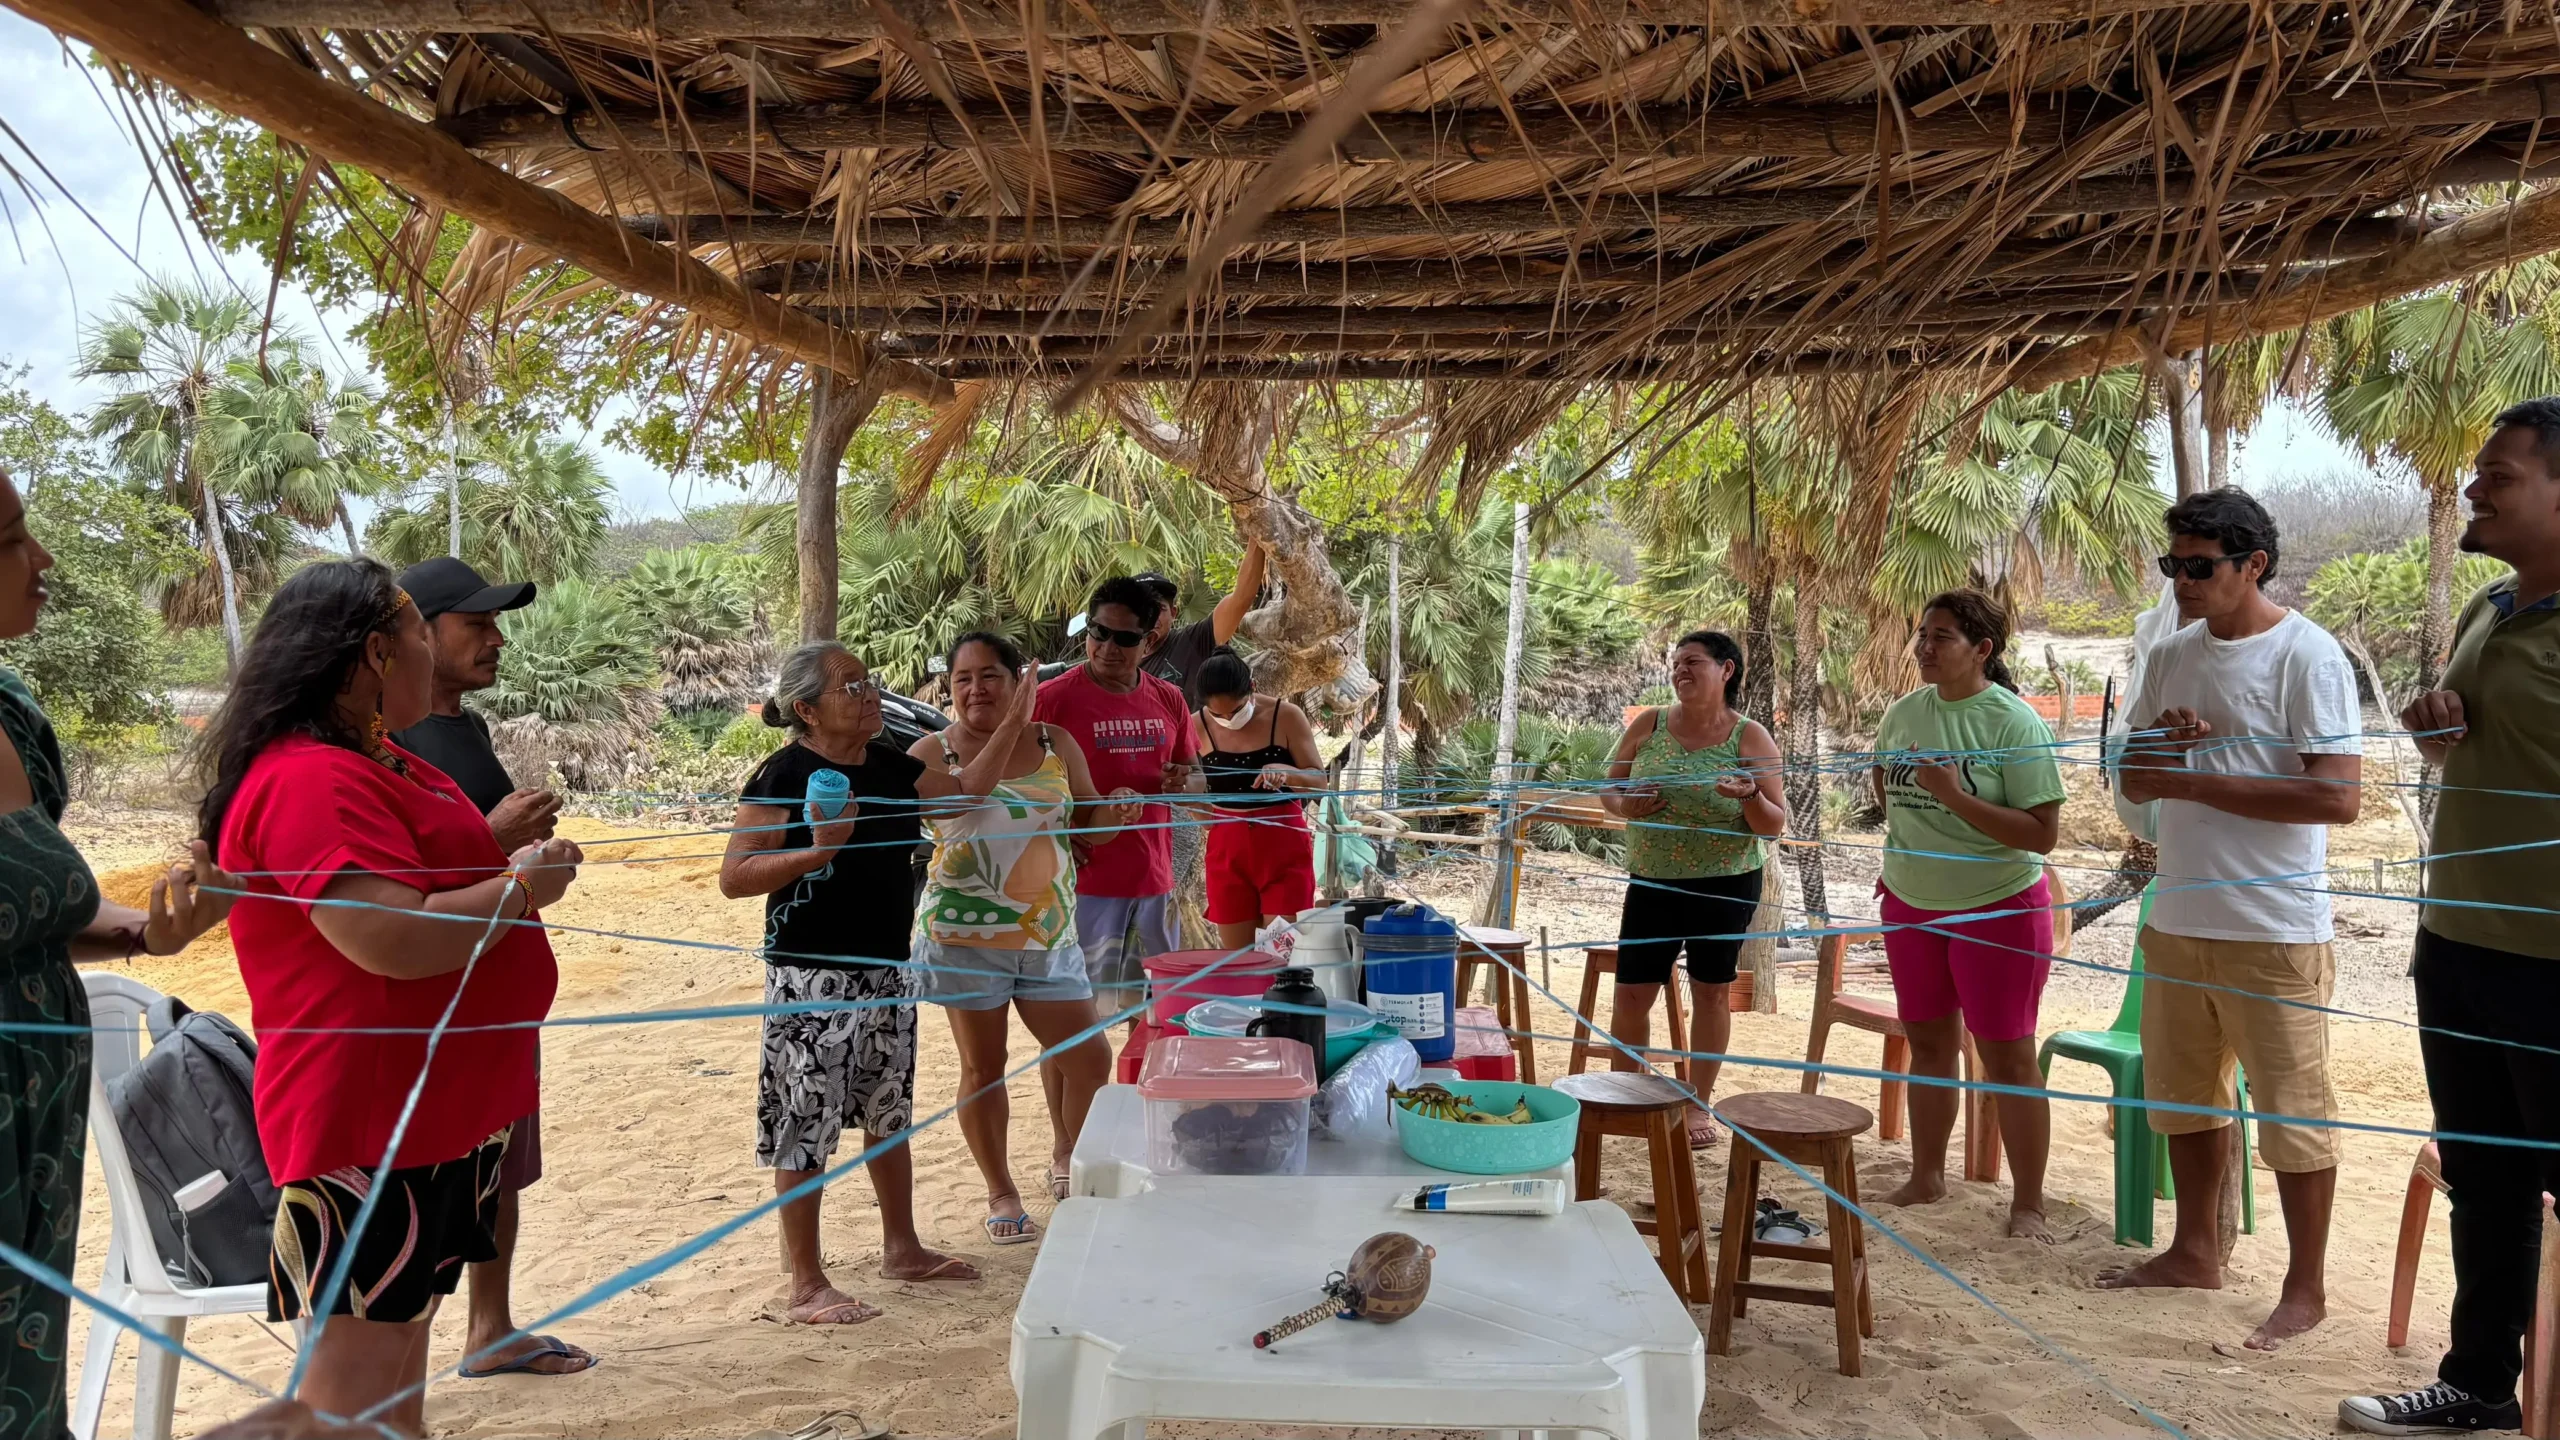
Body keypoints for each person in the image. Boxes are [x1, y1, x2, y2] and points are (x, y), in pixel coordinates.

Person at [200, 558, 583, 1430]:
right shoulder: (308, 778)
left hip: (428, 1119)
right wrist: (522, 887)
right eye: (417, 632)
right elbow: (390, 938)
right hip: (369, 1128)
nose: (425, 648)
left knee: (388, 1410)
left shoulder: (374, 761)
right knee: (348, 1411)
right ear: (378, 652)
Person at [0, 468, 236, 1440]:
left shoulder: (12, 707)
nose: (42, 560)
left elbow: (42, 904)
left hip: (34, 1111)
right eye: (12, 540)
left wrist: (150, 926)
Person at [2342, 399, 2560, 1436]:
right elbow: (2471, 755)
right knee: (2484, 1178)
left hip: (2550, 963)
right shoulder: (2488, 606)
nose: (2473, 487)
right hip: (2458, 941)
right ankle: (2478, 1384)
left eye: (2499, 475)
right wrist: (2434, 730)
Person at [2102, 486, 2363, 1352]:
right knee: (2184, 1097)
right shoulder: (2170, 653)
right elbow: (2135, 780)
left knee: (2294, 1111)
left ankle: (2305, 1288)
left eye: (2200, 565)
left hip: (2275, 927)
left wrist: (2193, 778)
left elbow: (2338, 796)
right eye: (2173, 563)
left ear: (2253, 564)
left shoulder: (2308, 655)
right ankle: (2194, 1250)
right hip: (2179, 910)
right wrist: (2161, 757)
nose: (2182, 580)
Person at [719, 642, 980, 1325]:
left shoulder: (894, 765)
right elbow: (734, 876)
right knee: (804, 1123)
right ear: (806, 709)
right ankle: (805, 1282)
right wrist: (818, 852)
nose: (869, 693)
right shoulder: (783, 773)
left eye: (869, 681)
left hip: (886, 969)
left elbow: (968, 798)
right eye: (850, 685)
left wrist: (1018, 718)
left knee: (888, 1115)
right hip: (810, 974)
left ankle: (903, 1248)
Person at [384, 556, 586, 1379]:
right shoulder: (384, 748)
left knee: (500, 1168)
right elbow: (395, 897)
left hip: (497, 1003)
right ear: (416, 637)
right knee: (440, 1183)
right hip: (442, 1013)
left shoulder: (461, 730)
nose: (497, 639)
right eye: (478, 624)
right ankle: (402, 1376)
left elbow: (478, 863)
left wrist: (530, 856)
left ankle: (490, 1328)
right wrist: (498, 841)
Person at [910, 633, 1125, 1243]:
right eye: (963, 680)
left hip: (1049, 934)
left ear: (1015, 680)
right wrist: (1015, 722)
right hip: (964, 936)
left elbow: (1090, 829)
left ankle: (1067, 1156)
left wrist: (1117, 810)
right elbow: (964, 802)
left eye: (991, 676)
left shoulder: (1056, 742)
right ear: (948, 689)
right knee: (985, 1068)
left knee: (1087, 1057)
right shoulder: (932, 752)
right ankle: (1001, 1191)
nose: (976, 689)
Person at [1868, 591, 2068, 1241]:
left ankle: (2028, 1205)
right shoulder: (1903, 714)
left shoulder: (2013, 724)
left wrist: (1953, 796)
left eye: (1943, 636)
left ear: (1982, 650)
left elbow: (2041, 834)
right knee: (1928, 1046)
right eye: (1921, 633)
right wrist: (1909, 856)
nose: (1925, 646)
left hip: (1999, 907)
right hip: (1910, 903)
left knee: (2007, 1055)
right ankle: (1927, 1177)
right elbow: (1886, 791)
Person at [1600, 631, 1785, 1146]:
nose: (1680, 670)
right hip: (1653, 879)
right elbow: (1609, 787)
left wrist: (1748, 796)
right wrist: (1624, 806)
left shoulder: (1750, 737)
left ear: (1726, 671)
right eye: (1675, 662)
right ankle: (1631, 1097)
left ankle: (1697, 1105)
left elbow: (1774, 824)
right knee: (1633, 993)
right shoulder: (1649, 723)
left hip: (1724, 883)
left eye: (1693, 662)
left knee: (1709, 991)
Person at [1036, 576, 1203, 1017]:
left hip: (1153, 882)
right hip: (1080, 887)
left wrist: (1181, 782)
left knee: (1153, 1016)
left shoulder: (1169, 700)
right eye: (1099, 632)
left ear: (1148, 641)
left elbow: (1199, 784)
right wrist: (1052, 833)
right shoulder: (1049, 701)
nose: (1108, 647)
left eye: (1124, 638)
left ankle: (1138, 1089)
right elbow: (1012, 787)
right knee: (1072, 1020)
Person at [1189, 651, 1325, 949]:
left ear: (1252, 687)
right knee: (1238, 961)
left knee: (1282, 958)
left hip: (1283, 850)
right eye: (1218, 715)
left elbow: (1319, 783)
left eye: (1235, 711)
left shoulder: (1286, 716)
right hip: (1227, 851)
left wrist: (1287, 772)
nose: (1227, 720)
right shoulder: (1195, 726)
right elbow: (1198, 806)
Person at [1137, 540, 1271, 704]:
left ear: (1173, 613)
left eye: (1159, 608)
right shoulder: (1115, 659)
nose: (1151, 616)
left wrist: (1256, 532)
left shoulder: (1194, 640)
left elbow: (1241, 598)